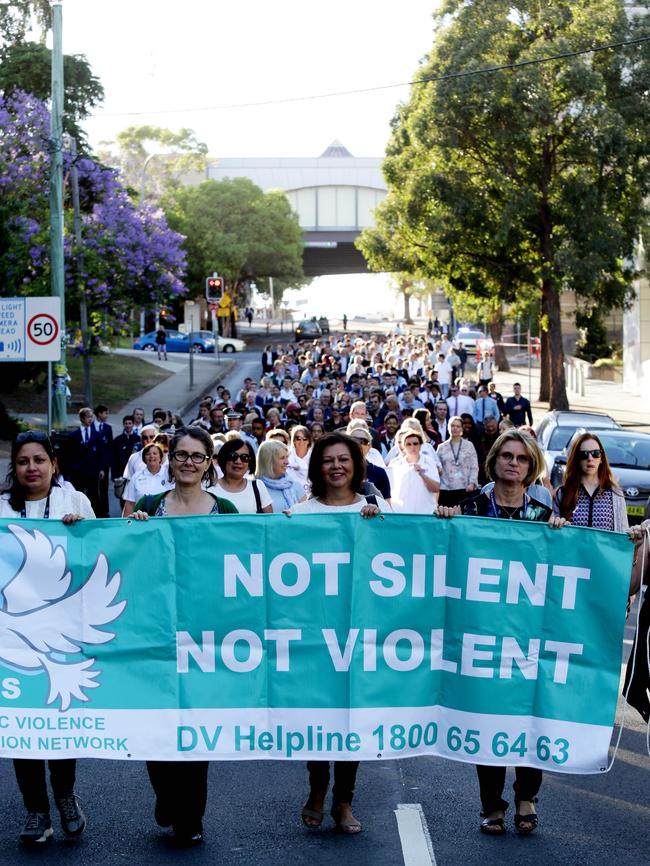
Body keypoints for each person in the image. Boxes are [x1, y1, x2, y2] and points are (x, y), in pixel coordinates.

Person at [436, 429, 566, 836]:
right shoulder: (470, 508)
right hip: (481, 635)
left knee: (531, 715)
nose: (513, 463)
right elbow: (441, 557)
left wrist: (570, 540)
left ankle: (528, 794)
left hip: (529, 637)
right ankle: (492, 805)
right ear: (493, 462)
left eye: (522, 458)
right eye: (506, 456)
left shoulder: (544, 519)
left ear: (531, 468)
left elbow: (567, 570)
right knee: (487, 718)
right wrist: (445, 525)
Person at [130, 427, 236, 846]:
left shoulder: (225, 509)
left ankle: (191, 814)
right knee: (157, 723)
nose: (188, 462)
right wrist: (133, 531)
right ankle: (166, 795)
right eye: (181, 455)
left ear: (209, 463)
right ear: (168, 460)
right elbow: (126, 565)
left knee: (197, 724)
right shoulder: (149, 505)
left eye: (197, 456)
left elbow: (245, 561)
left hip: (206, 637)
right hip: (155, 633)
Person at [0, 430, 92, 845]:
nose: (31, 468)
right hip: (12, 637)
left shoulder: (74, 502)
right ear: (14, 468)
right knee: (22, 724)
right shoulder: (1, 508)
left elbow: (101, 555)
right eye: (23, 462)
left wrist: (81, 533)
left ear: (54, 464)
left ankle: (66, 796)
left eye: (39, 460)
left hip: (62, 633)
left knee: (59, 722)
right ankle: (37, 810)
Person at [291, 432, 384, 834]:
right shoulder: (301, 513)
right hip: (316, 632)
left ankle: (344, 801)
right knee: (320, 716)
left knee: (352, 717)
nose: (336, 467)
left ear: (356, 464)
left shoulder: (376, 510)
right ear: (317, 467)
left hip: (361, 633)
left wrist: (379, 526)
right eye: (327, 460)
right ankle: (317, 789)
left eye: (343, 459)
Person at [554, 432, 628, 530]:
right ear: (577, 459)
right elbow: (553, 535)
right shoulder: (563, 493)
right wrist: (556, 523)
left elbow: (622, 534)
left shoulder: (614, 493)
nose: (590, 458)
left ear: (601, 458)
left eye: (595, 453)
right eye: (584, 454)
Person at [388, 427, 440, 513]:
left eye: (415, 443)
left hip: (425, 512)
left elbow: (436, 488)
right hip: (401, 512)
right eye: (408, 444)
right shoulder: (395, 463)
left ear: (420, 445)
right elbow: (388, 490)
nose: (412, 447)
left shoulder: (429, 462)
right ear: (403, 446)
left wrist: (422, 475)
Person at [213, 438, 272, 513]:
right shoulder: (208, 487)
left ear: (249, 462)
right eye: (233, 456)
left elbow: (270, 521)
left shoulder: (258, 486)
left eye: (244, 457)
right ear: (224, 458)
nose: (238, 461)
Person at [69, 407, 107, 516]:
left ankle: (94, 516)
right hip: (78, 471)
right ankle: (77, 514)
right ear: (82, 418)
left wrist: (101, 469)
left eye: (91, 417)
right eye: (87, 417)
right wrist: (72, 468)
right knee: (78, 494)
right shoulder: (74, 436)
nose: (90, 419)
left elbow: (101, 454)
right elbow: (70, 454)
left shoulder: (97, 435)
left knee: (94, 495)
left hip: (92, 470)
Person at [437, 415, 479, 507]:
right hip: (446, 488)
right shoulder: (441, 447)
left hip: (465, 488)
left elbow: (474, 466)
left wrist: (472, 483)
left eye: (458, 426)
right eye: (452, 425)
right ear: (448, 427)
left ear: (462, 429)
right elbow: (437, 467)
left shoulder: (469, 445)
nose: (455, 428)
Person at [121, 442, 170, 517]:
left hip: (165, 520)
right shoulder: (136, 477)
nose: (151, 456)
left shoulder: (169, 475)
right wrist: (125, 526)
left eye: (155, 453)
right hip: (141, 520)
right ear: (144, 459)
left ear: (160, 457)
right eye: (148, 454)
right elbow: (130, 504)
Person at [255, 440, 305, 512]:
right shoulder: (255, 487)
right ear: (269, 461)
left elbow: (306, 515)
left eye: (287, 457)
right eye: (282, 458)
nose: (287, 462)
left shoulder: (295, 485)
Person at [287, 425, 312, 491]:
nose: (301, 441)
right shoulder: (287, 455)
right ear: (294, 441)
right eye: (298, 438)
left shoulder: (315, 456)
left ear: (309, 441)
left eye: (305, 439)